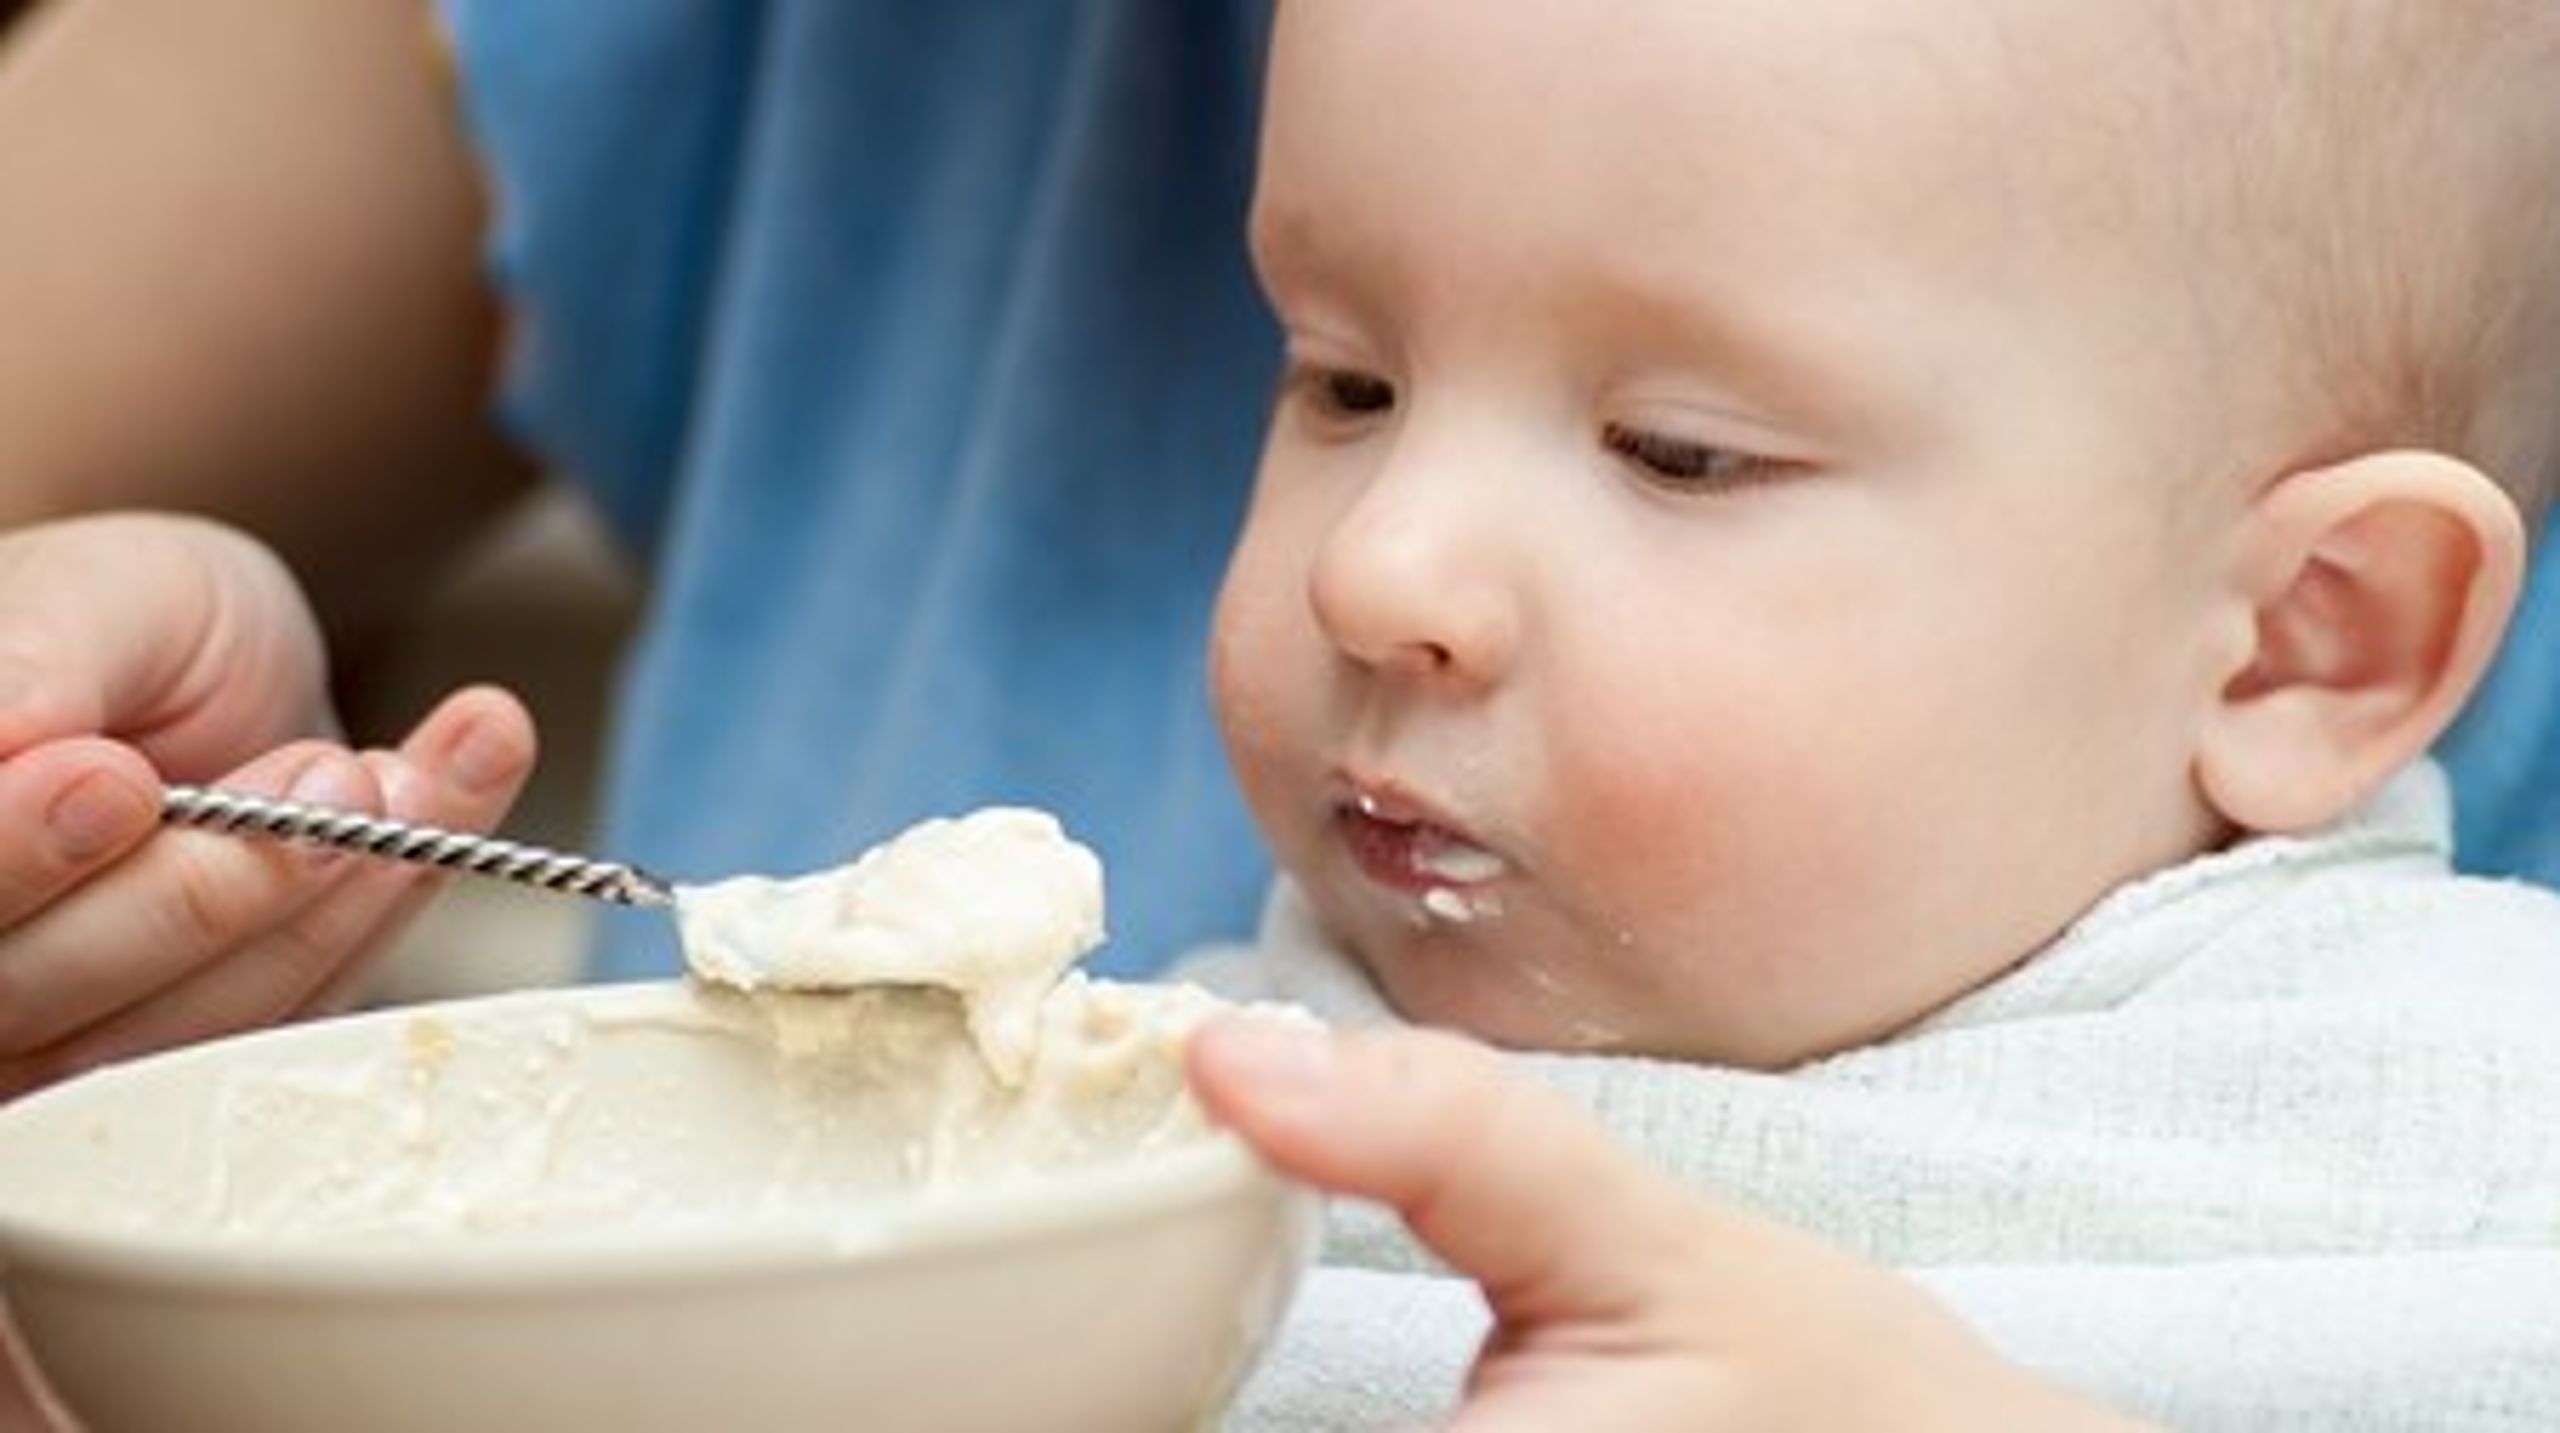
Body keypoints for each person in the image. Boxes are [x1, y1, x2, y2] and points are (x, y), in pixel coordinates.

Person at [1169, 0, 2560, 1425]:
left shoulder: (2480, 1151)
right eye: (1350, 382)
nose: (1374, 570)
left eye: (1680, 455)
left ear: (2300, 641)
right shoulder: (1150, 1116)